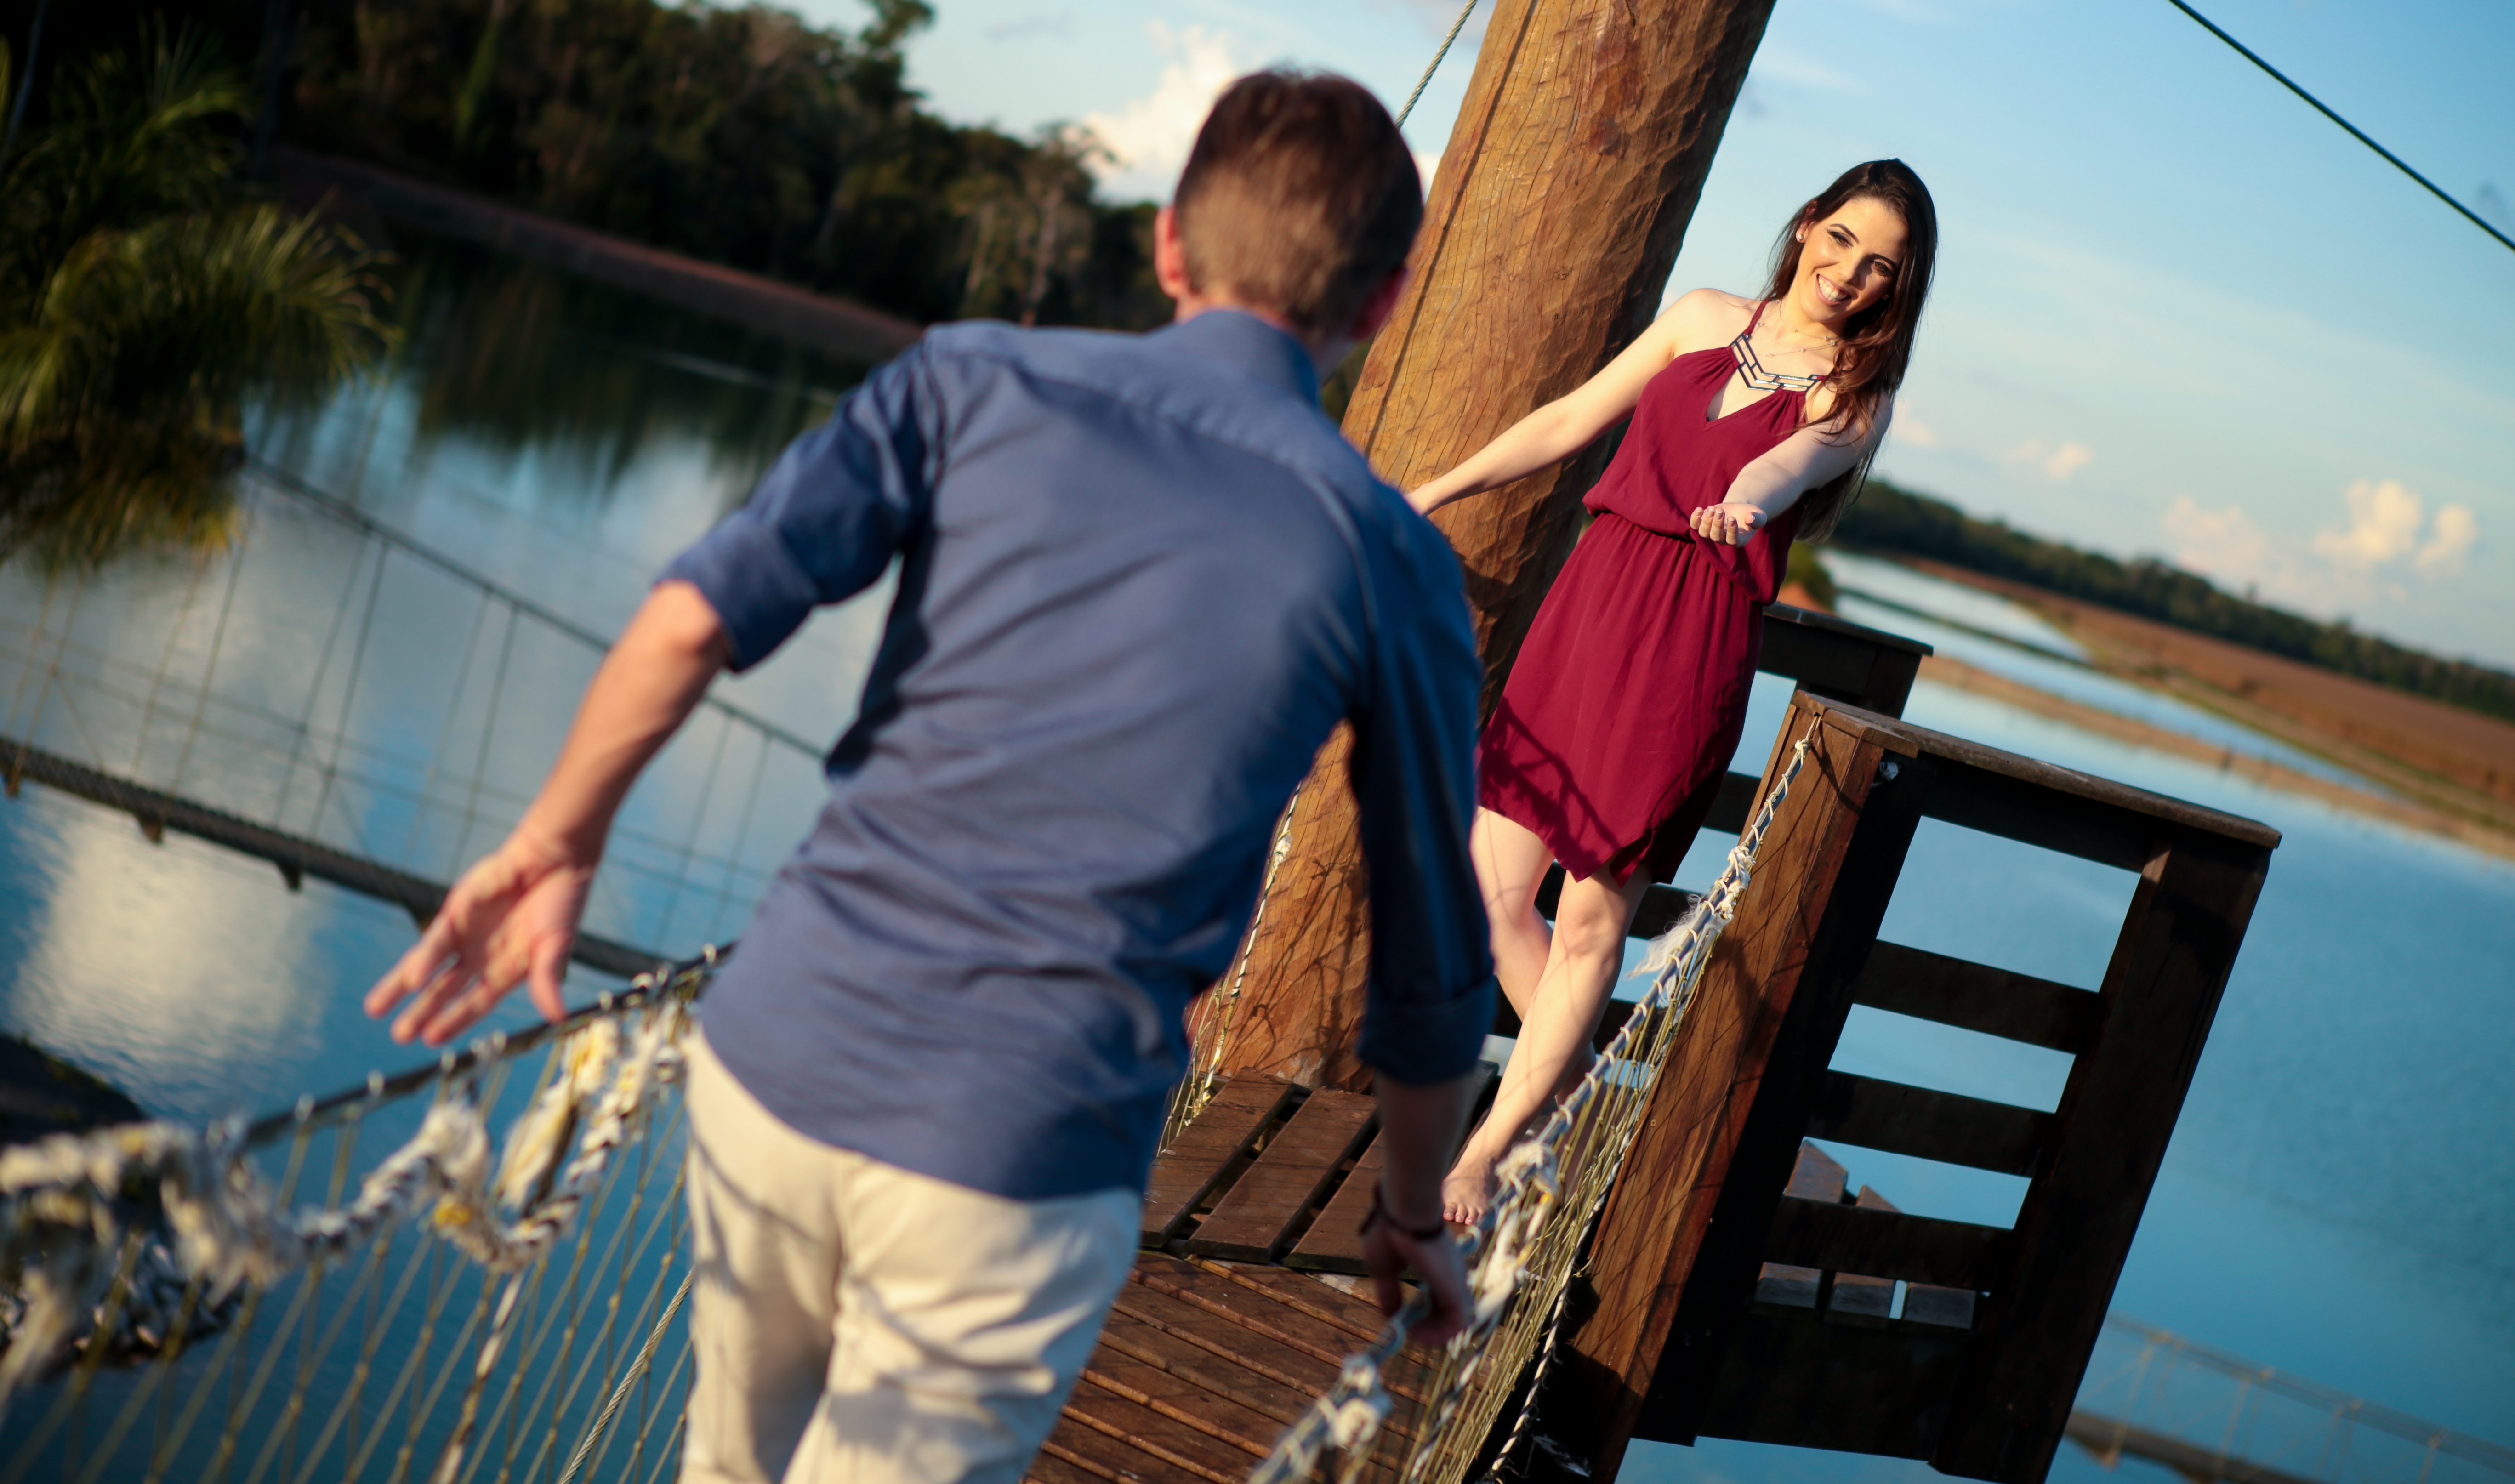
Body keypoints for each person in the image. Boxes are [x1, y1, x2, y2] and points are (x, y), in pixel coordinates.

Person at [364, 71, 1496, 1484]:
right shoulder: (1390, 559)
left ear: (1167, 244)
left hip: (775, 1070)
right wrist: (1407, 1212)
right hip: (1020, 1158)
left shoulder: (969, 380)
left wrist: (554, 836)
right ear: (1385, 302)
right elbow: (1436, 967)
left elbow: (688, 619)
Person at [1404, 159, 1938, 1222]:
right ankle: (1582, 1092)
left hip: (1689, 640)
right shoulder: (1700, 316)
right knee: (1488, 886)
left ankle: (1489, 1150)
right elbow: (1571, 419)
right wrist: (1442, 487)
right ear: (1807, 226)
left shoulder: (1855, 399)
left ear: (1895, 290)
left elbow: (1782, 471)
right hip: (1589, 606)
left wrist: (1742, 503)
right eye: (1841, 241)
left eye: (1880, 267)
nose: (1850, 273)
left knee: (1597, 917)